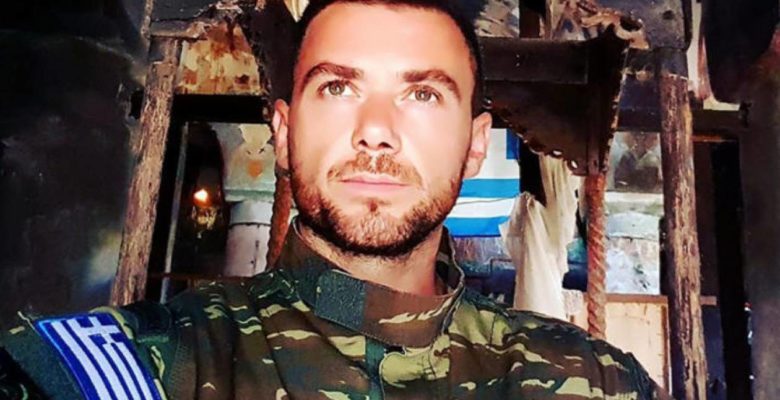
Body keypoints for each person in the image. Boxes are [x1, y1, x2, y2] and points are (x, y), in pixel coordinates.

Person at [0, 0, 670, 398]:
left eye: (422, 93)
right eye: (338, 88)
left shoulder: (592, 381)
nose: (375, 130)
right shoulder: (147, 363)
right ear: (284, 132)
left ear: (473, 146)